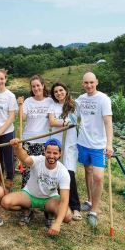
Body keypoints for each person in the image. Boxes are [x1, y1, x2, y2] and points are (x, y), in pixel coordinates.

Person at [1, 138, 72, 236]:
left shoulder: (63, 172)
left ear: (60, 154)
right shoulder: (38, 160)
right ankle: (28, 209)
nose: (51, 156)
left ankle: (49, 212)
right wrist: (17, 148)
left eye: (55, 153)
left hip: (50, 199)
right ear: (44, 151)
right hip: (30, 195)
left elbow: (64, 200)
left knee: (67, 216)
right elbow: (25, 158)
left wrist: (57, 223)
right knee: (5, 202)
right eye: (49, 152)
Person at [76, 72, 113, 228]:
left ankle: (94, 211)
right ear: (82, 84)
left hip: (98, 145)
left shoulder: (103, 99)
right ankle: (89, 200)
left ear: (97, 82)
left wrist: (109, 144)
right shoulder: (80, 100)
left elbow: (108, 122)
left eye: (91, 82)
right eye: (86, 83)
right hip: (83, 142)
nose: (89, 85)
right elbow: (72, 115)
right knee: (88, 171)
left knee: (98, 176)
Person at [18, 75, 53, 224]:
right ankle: (27, 210)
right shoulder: (28, 101)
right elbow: (22, 118)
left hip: (44, 142)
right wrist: (20, 105)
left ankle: (48, 209)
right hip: (28, 141)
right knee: (27, 173)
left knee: (45, 174)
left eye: (38, 85)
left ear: (43, 85)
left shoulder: (50, 101)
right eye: (33, 86)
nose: (36, 88)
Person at [48, 82, 81, 221]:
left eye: (61, 90)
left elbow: (82, 120)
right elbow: (51, 122)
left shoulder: (75, 105)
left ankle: (75, 207)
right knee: (55, 172)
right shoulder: (53, 106)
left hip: (71, 143)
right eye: (55, 92)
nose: (58, 93)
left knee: (69, 173)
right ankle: (57, 203)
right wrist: (65, 123)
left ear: (66, 91)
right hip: (57, 143)